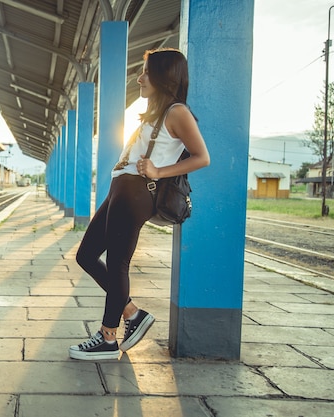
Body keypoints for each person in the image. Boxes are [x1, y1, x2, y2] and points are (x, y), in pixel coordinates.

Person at [69, 48, 210, 360]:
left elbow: (202, 157)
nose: (139, 78)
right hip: (120, 189)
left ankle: (108, 337)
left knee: (118, 263)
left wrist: (159, 171)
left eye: (146, 72)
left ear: (164, 76)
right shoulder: (156, 112)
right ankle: (132, 313)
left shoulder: (177, 112)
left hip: (136, 193)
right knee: (86, 255)